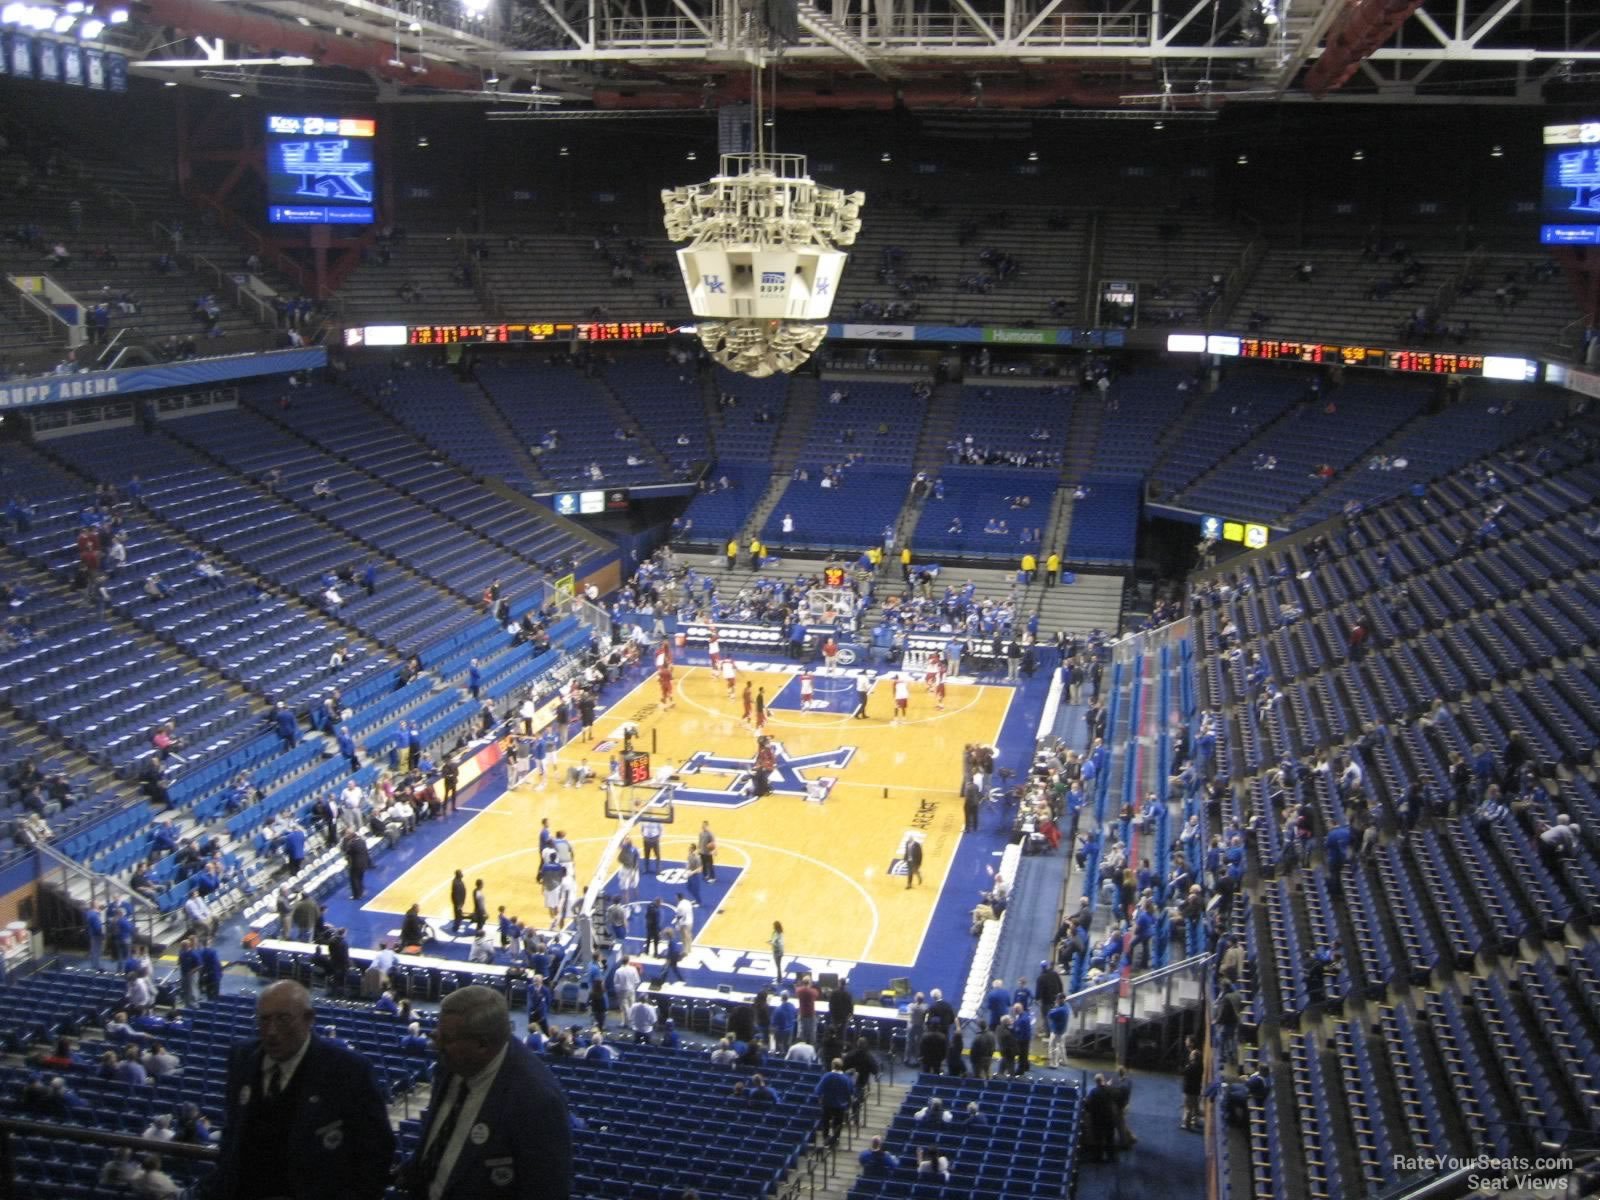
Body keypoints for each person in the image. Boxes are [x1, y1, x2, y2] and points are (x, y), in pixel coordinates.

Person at [200, 980, 394, 1200]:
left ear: (309, 1018)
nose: (271, 1031)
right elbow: (233, 1134)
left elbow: (376, 1153)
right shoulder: (241, 1057)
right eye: (264, 1020)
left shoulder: (349, 1071)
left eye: (283, 1019)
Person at [401, 985, 573, 1200]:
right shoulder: (453, 1060)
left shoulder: (537, 1101)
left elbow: (546, 1191)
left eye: (447, 1039)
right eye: (438, 1034)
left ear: (482, 1044)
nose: (436, 1045)